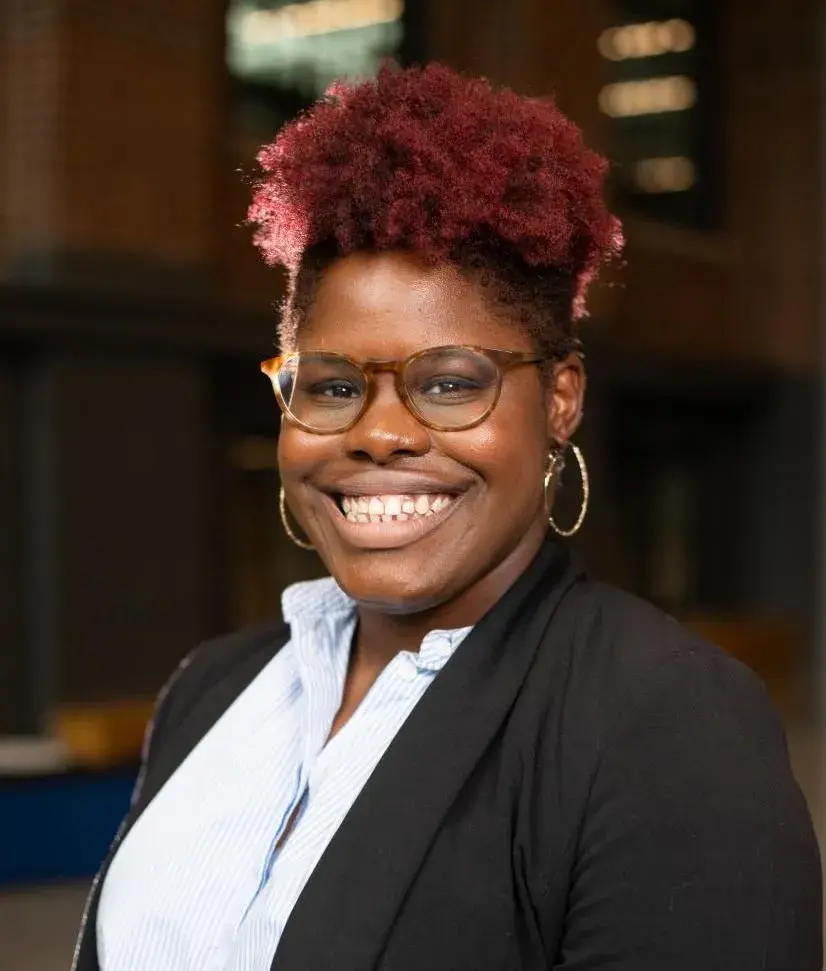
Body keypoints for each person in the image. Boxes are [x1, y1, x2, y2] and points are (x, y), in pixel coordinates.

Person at [73, 63, 821, 971]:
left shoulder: (666, 723)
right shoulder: (215, 687)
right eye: (334, 385)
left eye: (449, 382)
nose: (380, 431)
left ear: (559, 399)